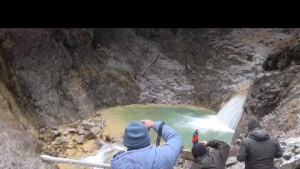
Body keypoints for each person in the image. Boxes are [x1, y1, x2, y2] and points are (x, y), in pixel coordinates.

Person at [110, 119, 183, 169]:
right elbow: (176, 138)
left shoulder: (117, 164)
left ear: (125, 142)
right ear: (148, 138)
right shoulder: (163, 156)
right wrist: (154, 124)